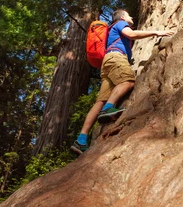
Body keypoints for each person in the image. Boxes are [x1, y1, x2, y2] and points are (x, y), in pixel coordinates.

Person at [71, 9, 174, 154]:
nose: (131, 17)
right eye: (129, 15)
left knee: (99, 101)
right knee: (127, 81)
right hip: (116, 58)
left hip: (107, 64)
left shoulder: (113, 30)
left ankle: (81, 140)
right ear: (123, 17)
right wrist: (156, 32)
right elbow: (131, 34)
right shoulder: (120, 23)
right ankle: (108, 108)